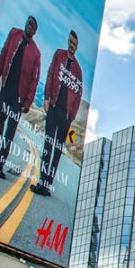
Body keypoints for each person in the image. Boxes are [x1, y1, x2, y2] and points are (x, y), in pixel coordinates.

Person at [32, 30, 83, 196]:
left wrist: (72, 116)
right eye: (70, 42)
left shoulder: (78, 70)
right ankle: (42, 181)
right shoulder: (59, 55)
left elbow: (78, 96)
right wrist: (46, 98)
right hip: (53, 108)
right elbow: (50, 74)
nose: (71, 46)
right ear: (67, 41)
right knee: (48, 144)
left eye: (74, 44)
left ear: (77, 47)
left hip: (65, 116)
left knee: (57, 150)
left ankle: (48, 185)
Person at [0, 16, 41, 178]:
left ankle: (1, 163)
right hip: (6, 87)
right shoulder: (14, 34)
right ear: (25, 24)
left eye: (33, 27)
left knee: (10, 130)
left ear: (35, 31)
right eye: (28, 24)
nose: (29, 28)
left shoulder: (36, 52)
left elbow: (34, 80)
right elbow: (4, 53)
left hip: (19, 96)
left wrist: (27, 101)